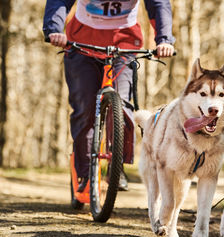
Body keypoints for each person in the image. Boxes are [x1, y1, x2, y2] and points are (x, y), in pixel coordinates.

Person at [43, 0, 175, 191]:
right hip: (81, 44)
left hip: (125, 45)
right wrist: (54, 29)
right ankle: (85, 174)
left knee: (121, 106)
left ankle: (117, 167)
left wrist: (164, 40)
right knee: (85, 109)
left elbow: (158, 4)